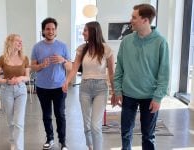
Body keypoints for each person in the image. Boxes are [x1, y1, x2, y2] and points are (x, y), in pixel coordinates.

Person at [114, 4, 169, 150]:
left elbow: (164, 73)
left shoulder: (160, 42)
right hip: (128, 95)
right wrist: (118, 90)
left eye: (134, 17)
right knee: (126, 133)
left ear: (145, 20)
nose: (130, 20)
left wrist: (158, 97)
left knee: (148, 135)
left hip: (150, 97)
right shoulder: (126, 41)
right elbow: (119, 67)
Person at [62, 21, 115, 150]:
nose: (83, 33)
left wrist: (115, 92)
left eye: (85, 30)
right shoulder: (82, 49)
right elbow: (74, 68)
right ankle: (90, 146)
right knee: (86, 124)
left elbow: (112, 73)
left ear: (93, 32)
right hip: (85, 88)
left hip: (101, 88)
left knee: (95, 125)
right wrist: (67, 81)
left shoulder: (106, 49)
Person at [31, 17, 72, 150]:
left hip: (59, 87)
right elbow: (33, 67)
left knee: (60, 114)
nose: (50, 31)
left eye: (53, 29)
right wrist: (42, 65)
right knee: (46, 115)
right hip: (42, 87)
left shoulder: (63, 46)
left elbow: (71, 67)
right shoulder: (37, 47)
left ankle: (63, 142)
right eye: (48, 29)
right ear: (43, 30)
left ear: (56, 31)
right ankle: (50, 138)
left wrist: (63, 60)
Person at [0, 34, 30, 150]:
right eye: (17, 41)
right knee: (11, 120)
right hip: (6, 90)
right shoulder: (2, 58)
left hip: (21, 90)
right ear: (10, 42)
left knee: (19, 121)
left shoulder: (25, 58)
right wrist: (7, 81)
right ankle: (13, 140)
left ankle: (19, 147)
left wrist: (20, 79)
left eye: (21, 41)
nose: (20, 43)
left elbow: (28, 77)